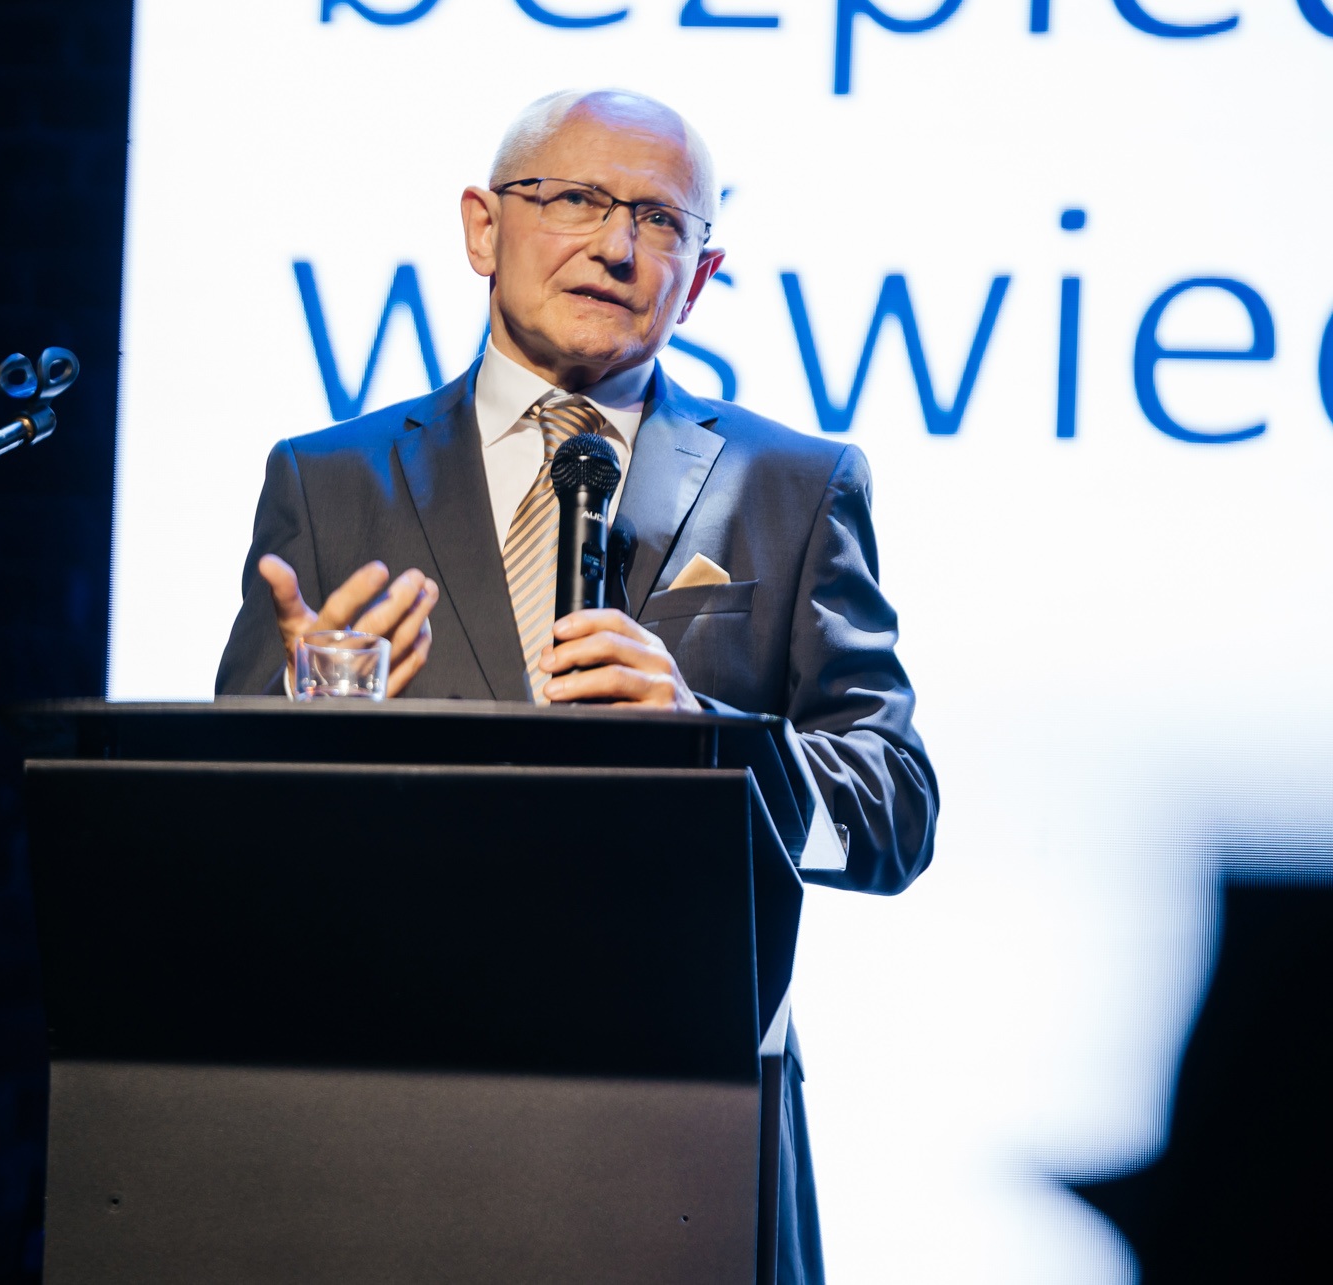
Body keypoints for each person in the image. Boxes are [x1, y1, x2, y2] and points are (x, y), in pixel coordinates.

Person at [216, 88, 938, 1283]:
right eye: (574, 200)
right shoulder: (326, 480)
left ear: (697, 280)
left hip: (685, 1136)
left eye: (658, 221)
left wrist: (710, 739)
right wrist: (297, 726)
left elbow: (894, 809)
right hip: (389, 1115)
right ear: (481, 227)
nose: (614, 246)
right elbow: (218, 853)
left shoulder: (794, 486)